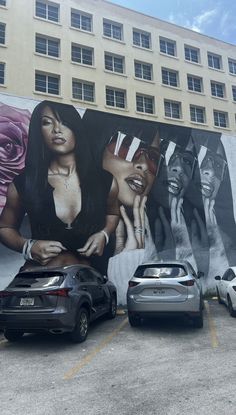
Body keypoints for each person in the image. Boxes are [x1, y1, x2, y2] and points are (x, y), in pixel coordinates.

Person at [0, 101, 119, 272]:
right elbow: (5, 227)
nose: (57, 129)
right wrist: (27, 246)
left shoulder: (105, 181)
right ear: (39, 131)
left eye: (64, 122)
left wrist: (105, 234)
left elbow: (112, 213)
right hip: (40, 282)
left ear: (76, 128)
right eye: (47, 122)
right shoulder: (25, 183)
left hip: (89, 283)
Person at [83, 110, 161, 304]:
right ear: (96, 148)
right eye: (128, 146)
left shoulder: (156, 237)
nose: (143, 165)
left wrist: (133, 261)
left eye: (153, 157)